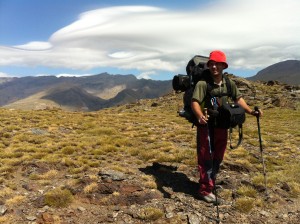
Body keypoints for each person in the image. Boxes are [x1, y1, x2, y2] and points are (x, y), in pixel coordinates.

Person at [191, 50, 262, 204]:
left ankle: (210, 182)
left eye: (217, 64)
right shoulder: (203, 84)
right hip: (206, 126)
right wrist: (199, 116)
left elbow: (238, 99)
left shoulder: (229, 83)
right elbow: (195, 102)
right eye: (211, 64)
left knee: (218, 156)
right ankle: (204, 190)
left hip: (222, 126)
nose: (214, 66)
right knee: (206, 157)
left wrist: (250, 111)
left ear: (223, 65)